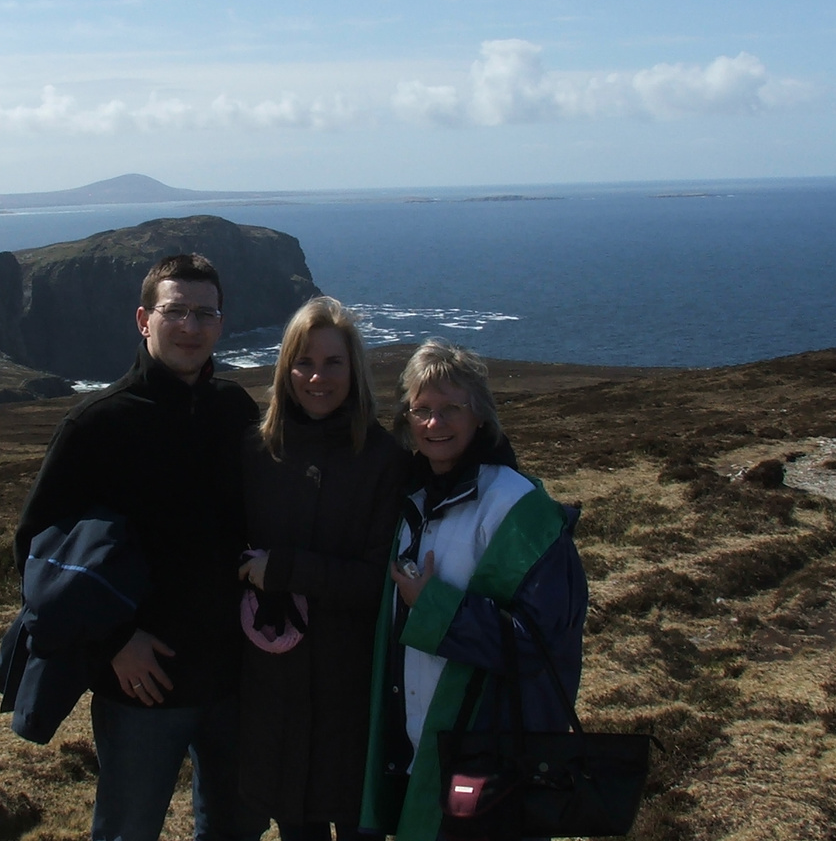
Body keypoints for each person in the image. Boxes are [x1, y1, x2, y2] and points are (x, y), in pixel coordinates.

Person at [15, 253, 267, 841]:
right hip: (142, 683)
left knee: (239, 827)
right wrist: (115, 643)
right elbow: (35, 550)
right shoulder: (97, 425)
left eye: (205, 313)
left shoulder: (236, 411)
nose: (190, 326)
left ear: (221, 324)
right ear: (142, 319)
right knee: (129, 829)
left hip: (236, 674)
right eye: (174, 311)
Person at [360, 339, 588, 841]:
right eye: (421, 410)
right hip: (425, 747)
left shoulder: (517, 510)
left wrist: (433, 608)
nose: (434, 424)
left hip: (493, 756)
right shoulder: (414, 500)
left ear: (480, 416)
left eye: (451, 409)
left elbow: (540, 644)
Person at [237, 297, 408, 841]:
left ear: (355, 369)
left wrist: (284, 569)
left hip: (354, 694)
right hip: (276, 694)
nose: (317, 377)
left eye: (333, 363)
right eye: (304, 362)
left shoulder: (386, 460)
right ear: (285, 367)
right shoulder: (257, 452)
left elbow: (377, 580)